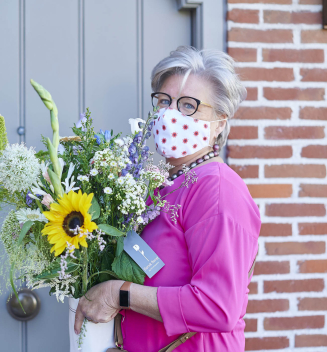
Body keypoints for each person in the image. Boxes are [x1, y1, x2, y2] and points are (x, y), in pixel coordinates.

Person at [74, 46, 261, 352]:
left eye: (189, 105)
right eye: (164, 101)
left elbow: (218, 306)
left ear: (220, 123)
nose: (171, 113)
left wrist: (118, 294)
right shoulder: (159, 186)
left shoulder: (216, 189)